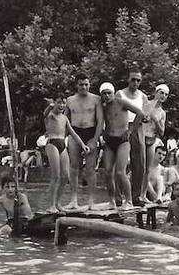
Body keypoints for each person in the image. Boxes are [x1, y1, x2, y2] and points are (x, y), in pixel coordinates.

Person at [99, 82, 148, 210]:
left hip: (122, 141)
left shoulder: (121, 102)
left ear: (113, 93)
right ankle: (112, 201)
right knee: (108, 172)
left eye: (109, 93)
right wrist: (102, 133)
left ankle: (129, 200)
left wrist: (131, 131)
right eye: (104, 93)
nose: (107, 96)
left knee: (121, 172)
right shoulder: (103, 106)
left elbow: (140, 113)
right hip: (109, 141)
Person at [44, 95, 91, 213]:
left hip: (62, 144)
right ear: (54, 103)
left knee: (65, 176)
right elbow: (45, 113)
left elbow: (73, 133)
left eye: (64, 103)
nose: (62, 105)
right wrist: (50, 106)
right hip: (52, 143)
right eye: (59, 103)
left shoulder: (64, 118)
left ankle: (57, 203)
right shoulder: (50, 116)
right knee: (56, 176)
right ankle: (51, 206)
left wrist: (82, 145)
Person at [65, 73, 104, 210]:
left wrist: (95, 139)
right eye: (81, 84)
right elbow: (65, 120)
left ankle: (91, 201)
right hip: (75, 132)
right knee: (74, 167)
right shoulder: (70, 100)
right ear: (77, 85)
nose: (84, 87)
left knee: (90, 168)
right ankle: (73, 200)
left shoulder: (96, 99)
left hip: (90, 132)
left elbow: (100, 121)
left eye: (86, 84)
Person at [117, 69, 148, 204]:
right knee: (119, 164)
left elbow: (146, 115)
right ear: (128, 79)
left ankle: (136, 196)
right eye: (133, 79)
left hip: (137, 128)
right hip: (121, 127)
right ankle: (118, 197)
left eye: (138, 80)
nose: (135, 82)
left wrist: (146, 118)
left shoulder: (143, 96)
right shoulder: (120, 94)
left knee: (139, 163)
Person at [138, 84, 168, 205]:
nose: (163, 96)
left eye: (166, 94)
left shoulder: (162, 113)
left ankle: (143, 195)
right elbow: (137, 120)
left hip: (151, 140)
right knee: (138, 166)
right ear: (156, 92)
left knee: (147, 169)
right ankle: (135, 194)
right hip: (140, 137)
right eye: (161, 93)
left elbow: (162, 132)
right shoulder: (146, 105)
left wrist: (155, 120)